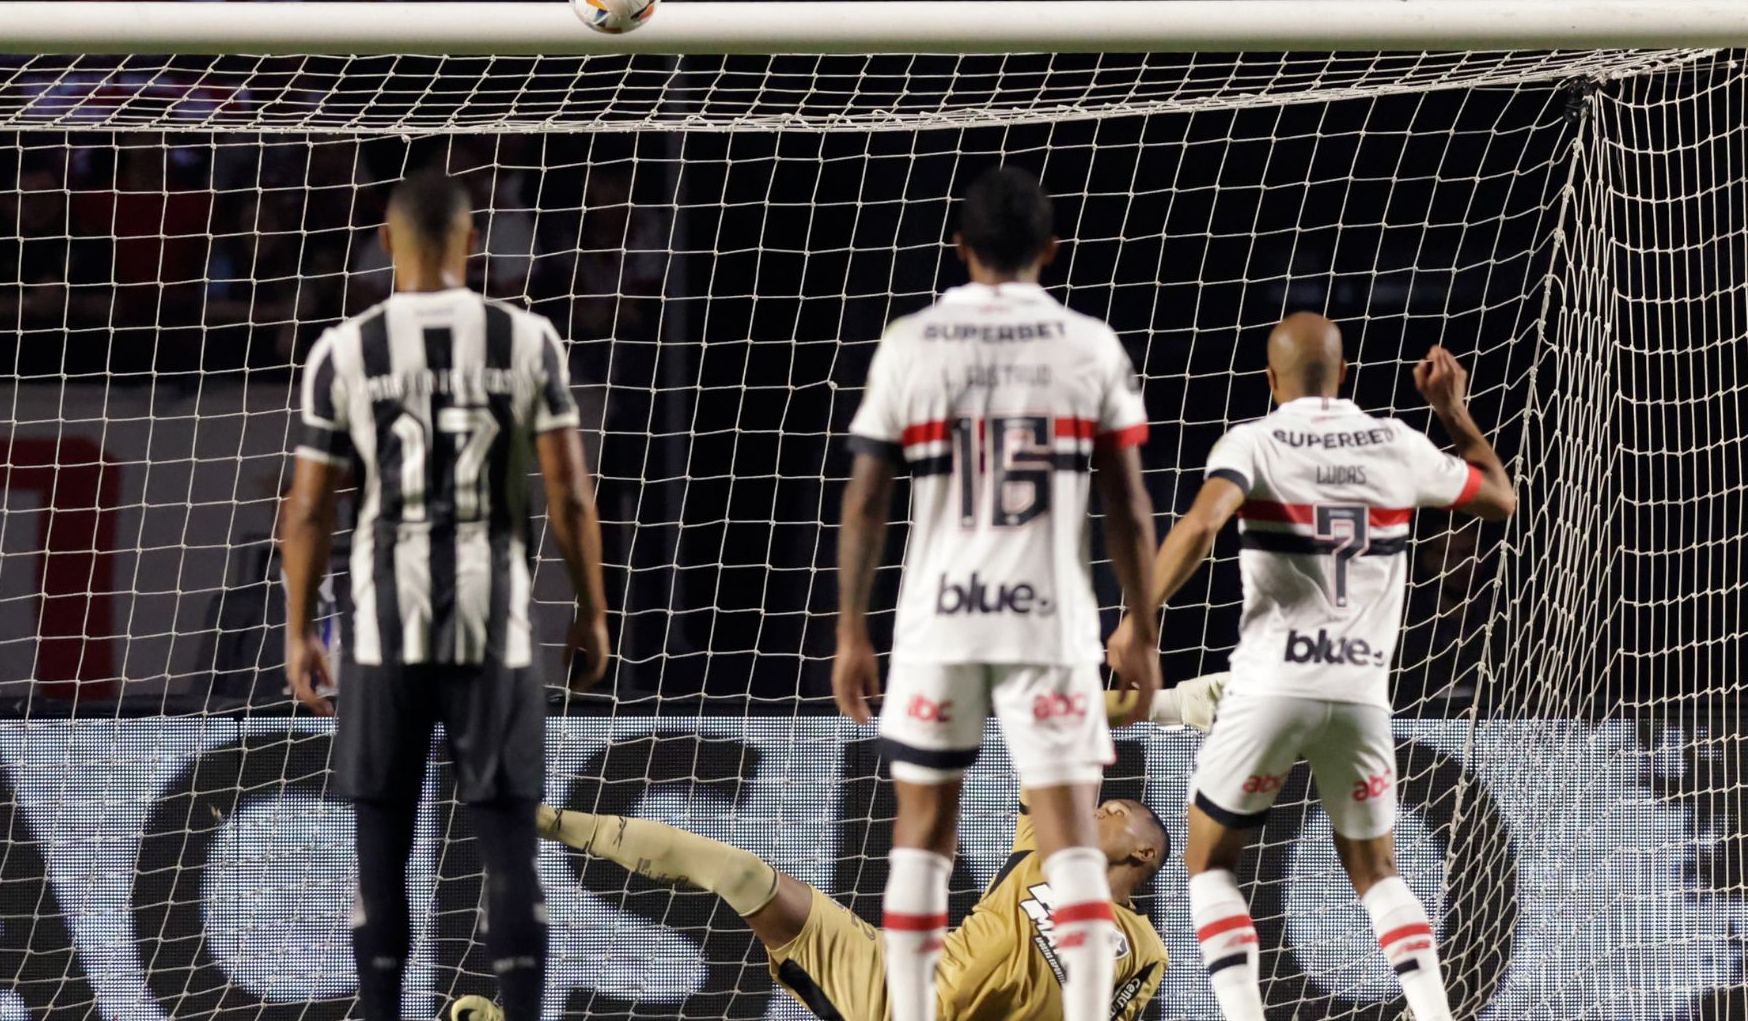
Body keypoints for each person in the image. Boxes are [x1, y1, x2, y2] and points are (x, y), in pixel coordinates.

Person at [1106, 314, 1516, 1021]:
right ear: (1344, 374)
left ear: (1270, 379)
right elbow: (1501, 497)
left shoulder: (1253, 441)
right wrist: (1452, 411)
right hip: (1359, 695)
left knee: (1209, 863)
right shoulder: (1396, 442)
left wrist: (1138, 620)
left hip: (1269, 688)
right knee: (1378, 874)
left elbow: (1202, 525)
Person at [830, 166, 1162, 1021]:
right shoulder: (1089, 346)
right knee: (1070, 835)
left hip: (941, 615)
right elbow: (1128, 505)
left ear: (959, 247)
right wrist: (1141, 624)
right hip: (1047, 618)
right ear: (1051, 250)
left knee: (923, 830)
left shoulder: (913, 341)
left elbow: (865, 499)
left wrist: (851, 630)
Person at [282, 170, 611, 1021]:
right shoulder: (527, 339)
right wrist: (591, 610)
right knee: (508, 846)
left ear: (386, 243)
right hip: (491, 617)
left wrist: (298, 628)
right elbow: (570, 493)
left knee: (380, 846)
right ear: (473, 240)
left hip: (383, 621)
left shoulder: (345, 348)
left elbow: (310, 507)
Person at [450, 679, 1229, 1021]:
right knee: (741, 872)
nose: (1099, 805)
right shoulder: (1046, 850)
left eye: (1117, 809)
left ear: (1142, 855)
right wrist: (1167, 703)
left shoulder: (1144, 947)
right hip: (893, 975)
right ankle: (542, 821)